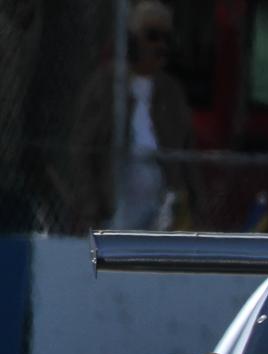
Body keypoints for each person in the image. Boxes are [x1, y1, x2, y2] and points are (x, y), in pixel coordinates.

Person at [72, 0, 199, 231]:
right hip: (113, 210)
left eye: (166, 39)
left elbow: (187, 155)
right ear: (132, 39)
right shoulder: (105, 86)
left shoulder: (171, 93)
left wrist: (193, 206)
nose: (160, 46)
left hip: (162, 212)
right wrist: (90, 208)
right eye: (152, 36)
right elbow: (84, 152)